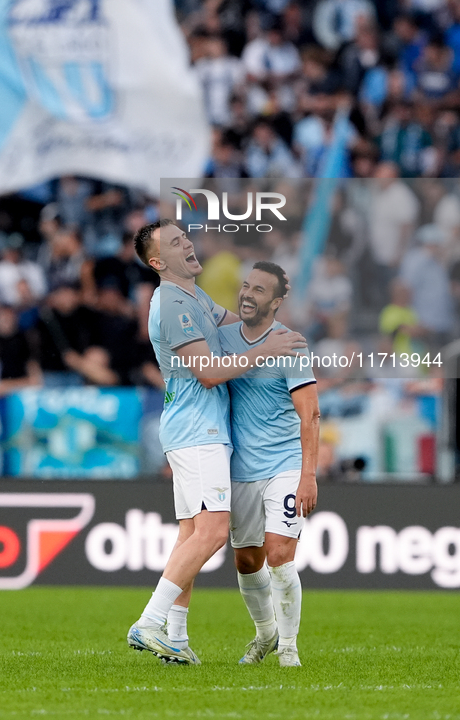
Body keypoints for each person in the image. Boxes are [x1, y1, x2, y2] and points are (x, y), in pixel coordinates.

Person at [127, 219, 305, 664]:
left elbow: (238, 325)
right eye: (174, 242)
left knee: (190, 533)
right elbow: (208, 372)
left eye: (184, 236)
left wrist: (270, 317)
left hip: (192, 429)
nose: (186, 242)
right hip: (198, 429)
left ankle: (177, 637)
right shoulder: (172, 304)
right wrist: (267, 351)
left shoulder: (193, 296)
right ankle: (148, 623)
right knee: (212, 532)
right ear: (157, 262)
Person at [219, 261, 319, 668]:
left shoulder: (291, 345)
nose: (247, 294)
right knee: (246, 561)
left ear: (276, 302)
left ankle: (289, 647)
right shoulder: (222, 340)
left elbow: (309, 414)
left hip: (284, 463)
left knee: (279, 554)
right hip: (240, 467)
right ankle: (266, 634)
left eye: (259, 290)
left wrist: (307, 475)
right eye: (246, 286)